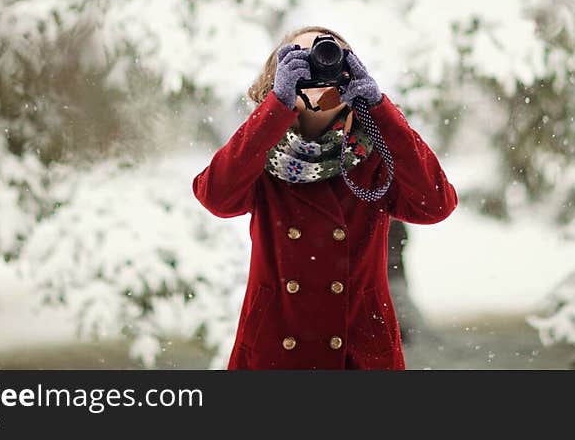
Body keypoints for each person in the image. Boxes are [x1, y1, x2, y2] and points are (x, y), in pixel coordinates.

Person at [192, 25, 458, 369]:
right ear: (277, 76)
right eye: (301, 58)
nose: (318, 63)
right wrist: (277, 106)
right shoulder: (258, 151)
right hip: (275, 350)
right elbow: (215, 197)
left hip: (358, 352)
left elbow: (436, 205)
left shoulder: (376, 152)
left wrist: (379, 107)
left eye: (330, 54)